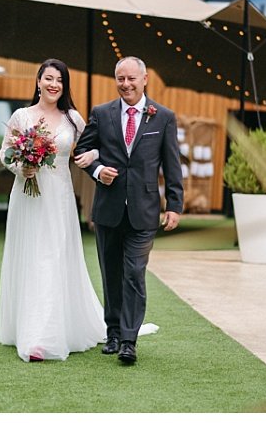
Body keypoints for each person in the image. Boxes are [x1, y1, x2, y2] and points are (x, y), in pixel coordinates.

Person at [73, 56, 184, 365]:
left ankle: (128, 341)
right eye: (120, 78)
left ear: (144, 79)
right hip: (108, 208)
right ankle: (112, 332)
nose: (126, 84)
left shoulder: (163, 117)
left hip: (144, 210)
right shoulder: (102, 113)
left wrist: (174, 204)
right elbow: (81, 150)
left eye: (131, 78)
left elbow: (172, 164)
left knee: (134, 272)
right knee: (111, 273)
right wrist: (97, 171)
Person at [0, 59, 105, 362]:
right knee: (31, 256)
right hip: (27, 196)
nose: (53, 84)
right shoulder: (22, 115)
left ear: (64, 85)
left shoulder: (73, 118)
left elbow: (89, 148)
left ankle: (44, 335)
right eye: (48, 78)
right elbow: (6, 151)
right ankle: (29, 329)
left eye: (59, 80)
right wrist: (22, 167)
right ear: (38, 82)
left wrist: (92, 157)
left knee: (53, 257)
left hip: (59, 196)